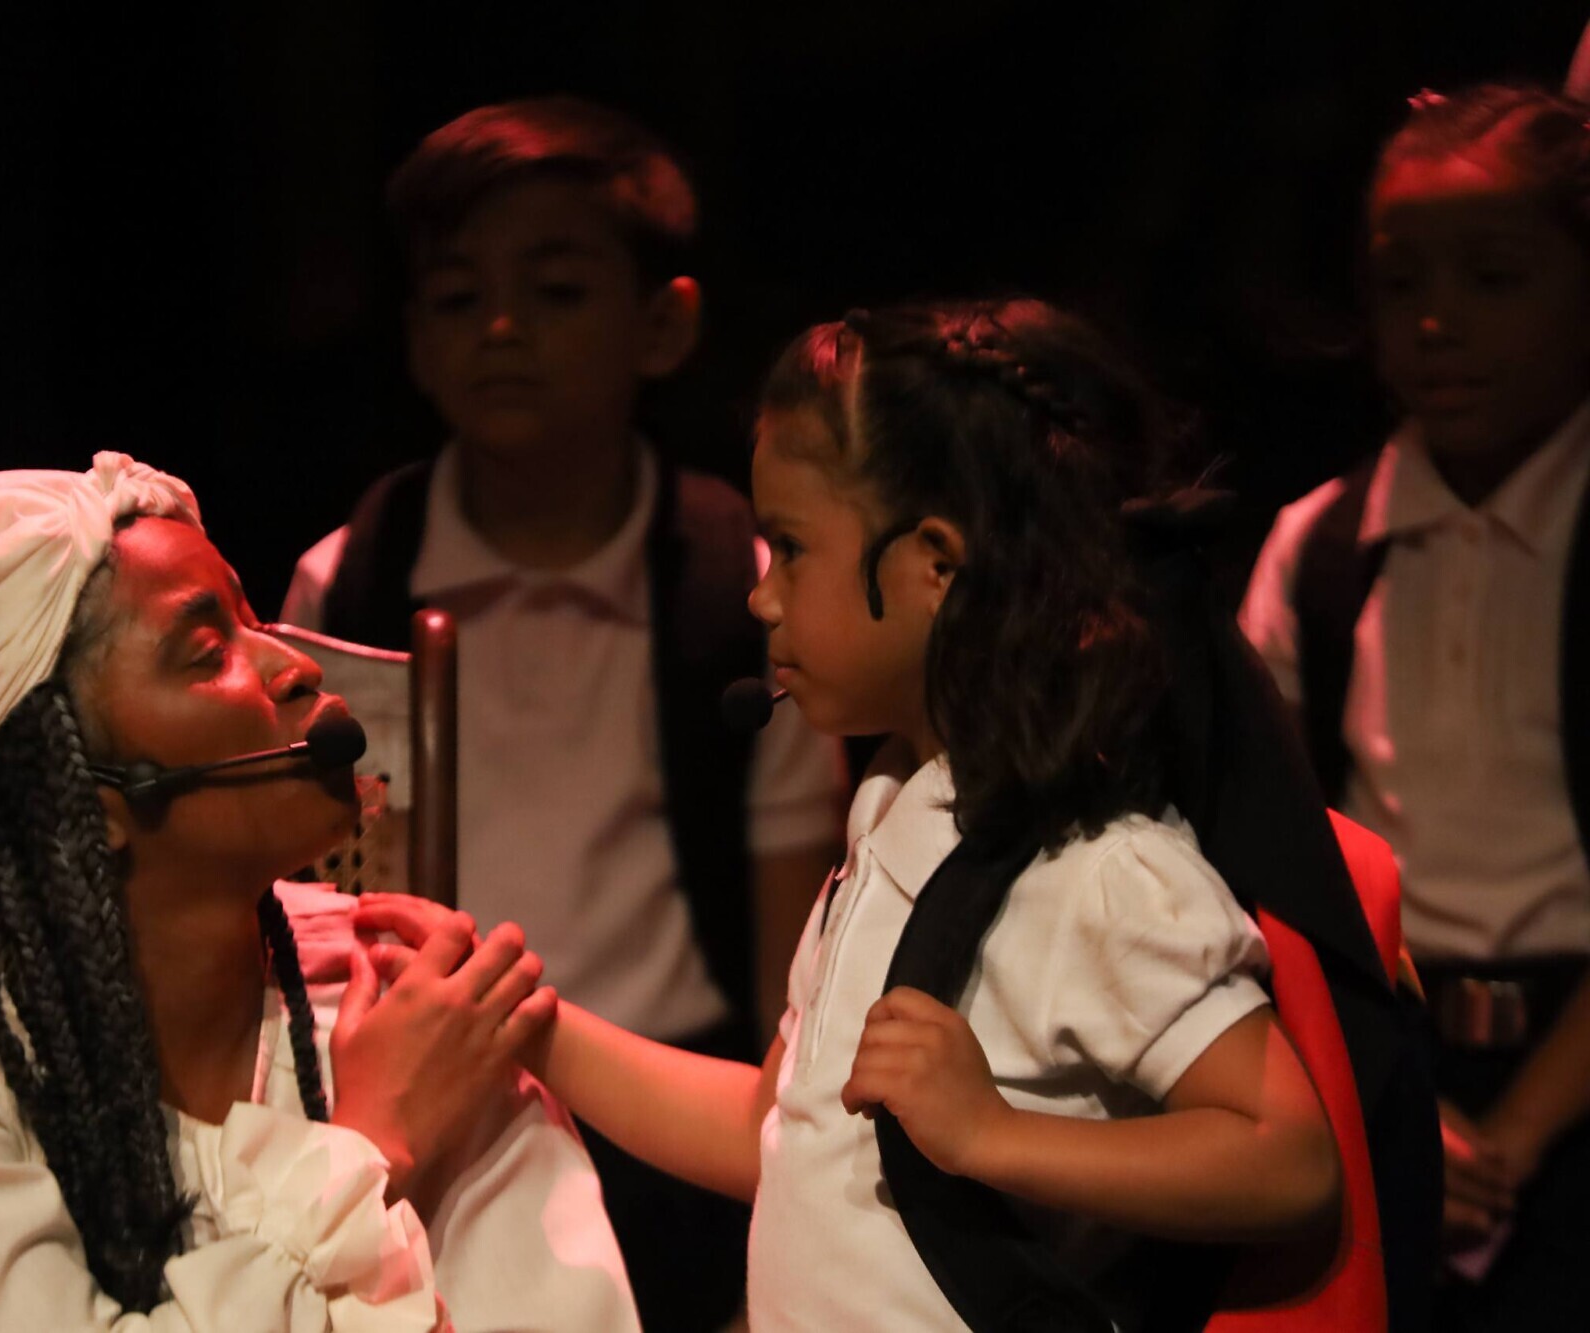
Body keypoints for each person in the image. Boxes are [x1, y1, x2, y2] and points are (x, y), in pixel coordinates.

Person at [364, 297, 1344, 1330]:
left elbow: (1285, 1155)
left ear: (933, 565)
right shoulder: (889, 822)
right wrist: (516, 1018)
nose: (763, 596)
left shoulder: (1096, 867)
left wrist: (991, 1133)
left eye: (790, 547)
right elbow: (775, 1128)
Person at [0, 453, 639, 1332]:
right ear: (83, 797)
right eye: (207, 650)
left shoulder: (406, 1005)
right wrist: (371, 1147)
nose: (293, 665)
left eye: (253, 617)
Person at [279, 96, 842, 1331]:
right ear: (414, 339)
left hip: (675, 1130)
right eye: (454, 296)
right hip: (434, 1127)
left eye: (555, 291)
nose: (500, 328)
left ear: (662, 322)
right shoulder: (351, 579)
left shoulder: (742, 586)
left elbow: (789, 948)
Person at [1241, 83, 1590, 1330]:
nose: (1437, 322)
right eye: (1398, 284)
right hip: (1382, 1064)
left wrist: (1516, 1130)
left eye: (1493, 277)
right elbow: (1263, 849)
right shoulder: (1320, 547)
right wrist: (1395, 1097)